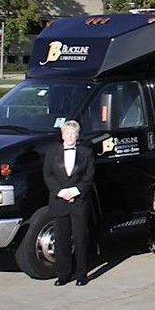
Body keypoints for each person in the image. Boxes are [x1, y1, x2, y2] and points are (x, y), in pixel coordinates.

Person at [43, 119, 95, 286]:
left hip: (78, 202)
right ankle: (63, 275)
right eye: (67, 133)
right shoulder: (52, 152)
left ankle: (81, 274)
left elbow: (88, 177)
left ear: (78, 135)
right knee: (61, 240)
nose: (70, 136)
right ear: (62, 135)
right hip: (59, 201)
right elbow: (48, 175)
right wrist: (62, 193)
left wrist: (74, 192)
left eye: (73, 134)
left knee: (80, 238)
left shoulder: (86, 153)